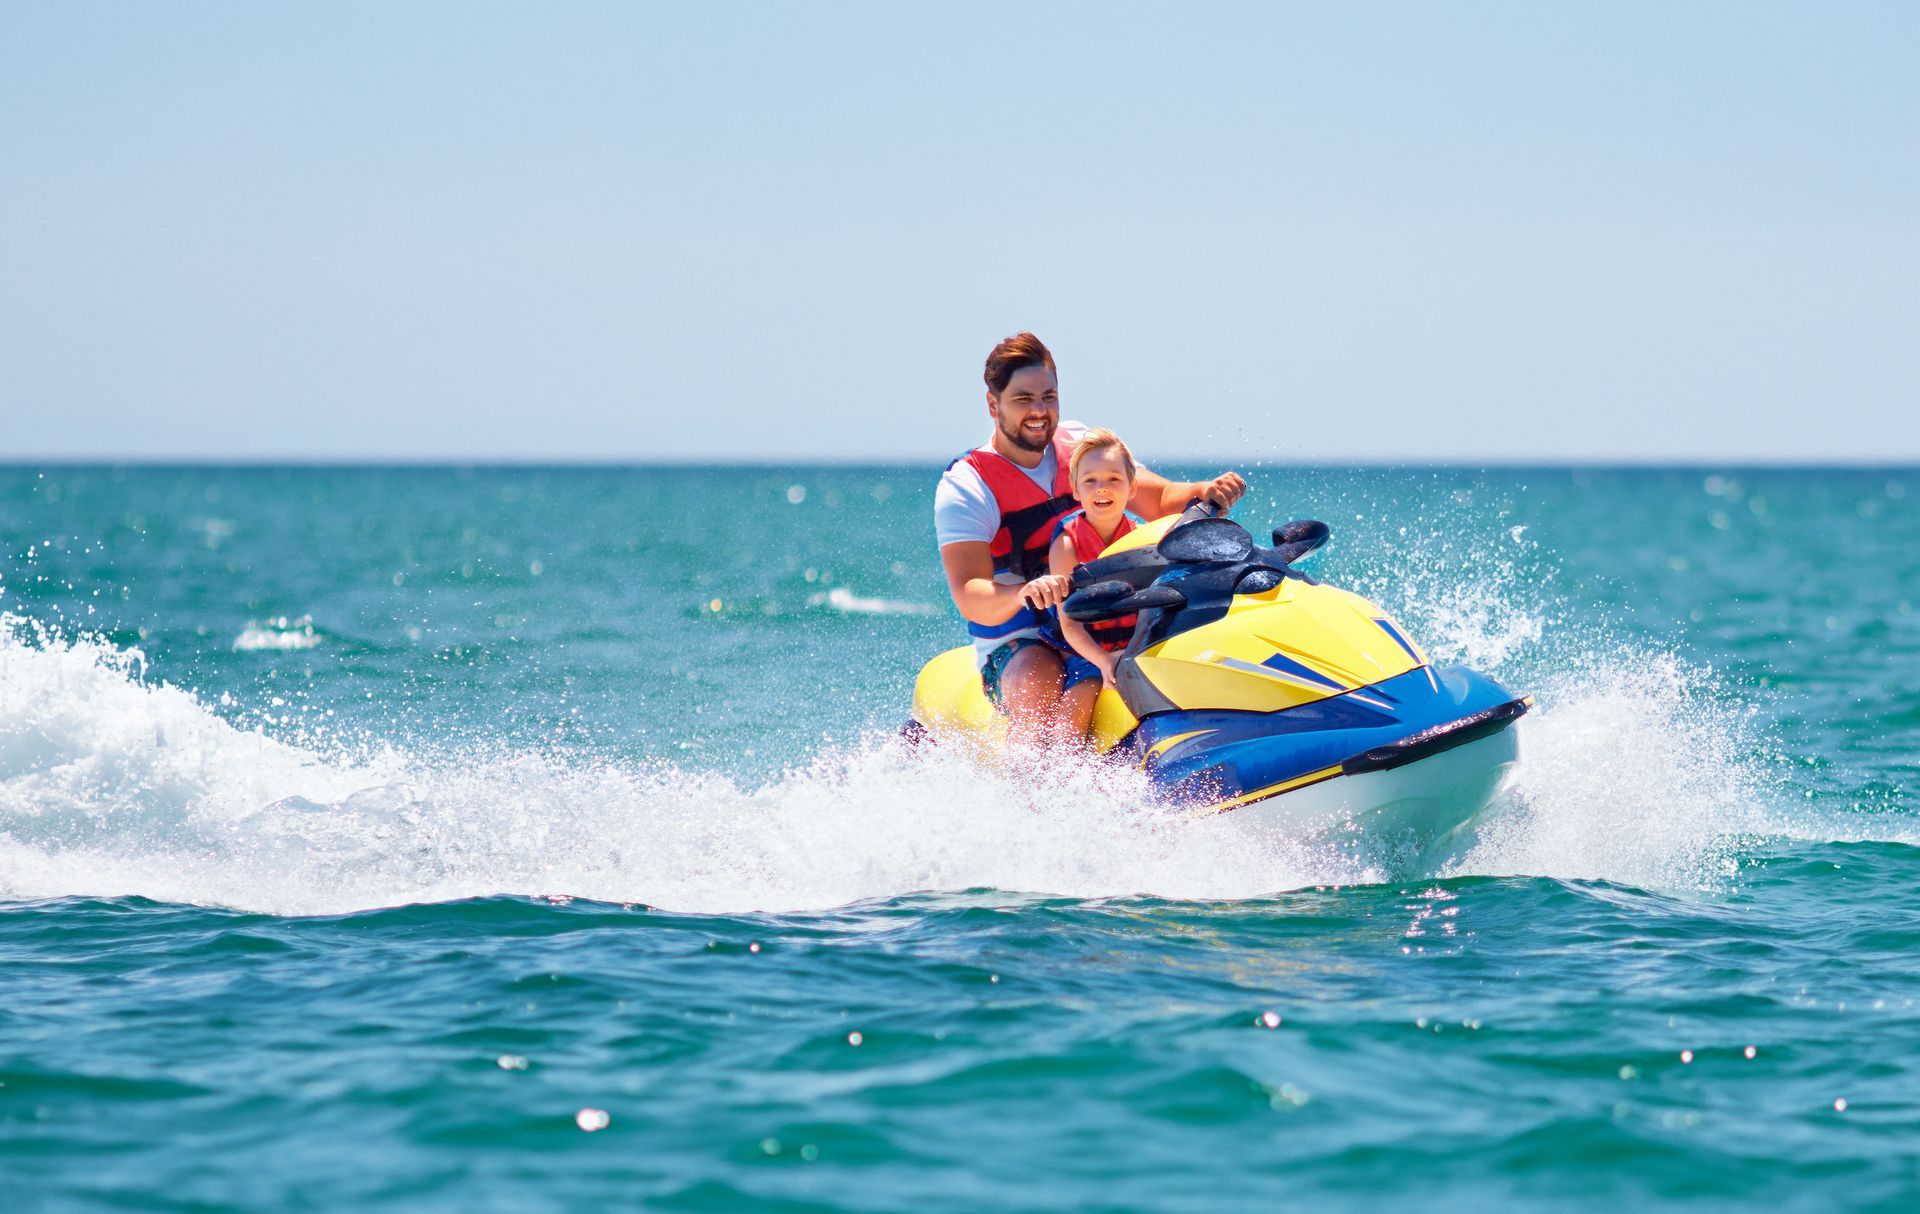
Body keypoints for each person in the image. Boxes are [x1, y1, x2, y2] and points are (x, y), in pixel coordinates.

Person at [934, 332, 1245, 747]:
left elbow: (1158, 498)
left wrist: (1206, 491)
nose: (1040, 411)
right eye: (1023, 399)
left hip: (1106, 617)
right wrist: (1026, 592)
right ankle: (1033, 800)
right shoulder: (967, 486)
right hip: (1022, 639)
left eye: (1049, 396)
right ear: (993, 404)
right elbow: (969, 593)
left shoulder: (1083, 448)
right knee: (1037, 679)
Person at [1046, 428, 1140, 741]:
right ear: (1075, 490)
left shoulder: (1141, 540)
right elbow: (1069, 623)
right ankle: (1061, 773)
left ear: (1132, 486)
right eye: (1090, 481)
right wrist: (1104, 661)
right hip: (1086, 651)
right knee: (1082, 695)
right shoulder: (1067, 545)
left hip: (1134, 645)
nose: (1102, 488)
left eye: (1114, 478)